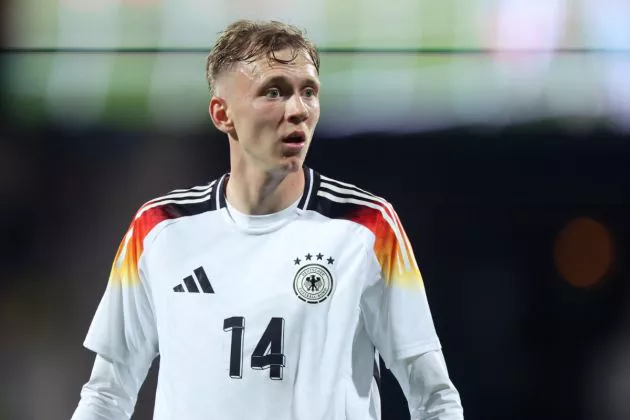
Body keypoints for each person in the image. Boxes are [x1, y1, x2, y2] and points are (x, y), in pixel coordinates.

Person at [71, 20, 464, 420]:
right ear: (222, 114)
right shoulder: (158, 227)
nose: (298, 110)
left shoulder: (366, 225)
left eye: (308, 92)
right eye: (274, 92)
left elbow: (434, 398)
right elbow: (107, 395)